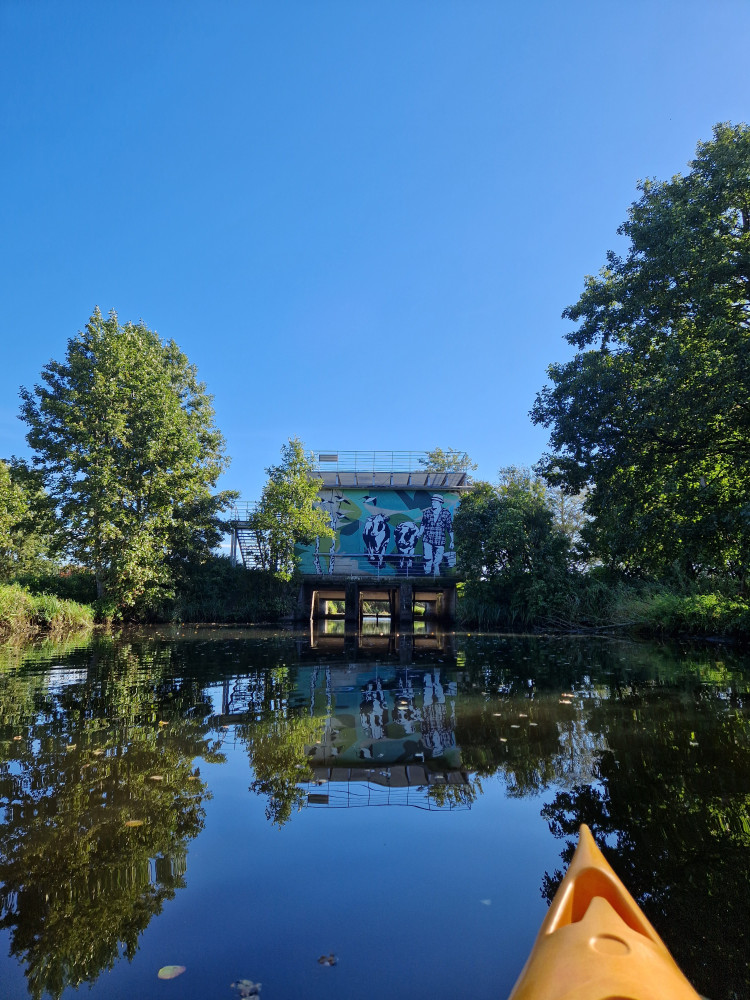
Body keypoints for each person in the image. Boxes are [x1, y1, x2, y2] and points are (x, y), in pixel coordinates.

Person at [418, 494, 454, 575]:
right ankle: (427, 573)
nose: (433, 503)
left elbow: (450, 528)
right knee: (427, 557)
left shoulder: (446, 513)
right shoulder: (427, 512)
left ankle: (436, 574)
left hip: (440, 540)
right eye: (432, 501)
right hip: (427, 539)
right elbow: (423, 524)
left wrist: (452, 541)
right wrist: (420, 533)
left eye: (435, 501)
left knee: (438, 559)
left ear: (440, 503)